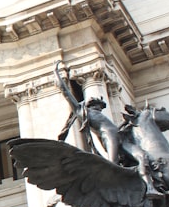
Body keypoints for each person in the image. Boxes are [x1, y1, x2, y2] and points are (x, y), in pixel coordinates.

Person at [54, 61, 160, 197]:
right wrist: (57, 75)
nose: (101, 107)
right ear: (93, 104)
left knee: (142, 156)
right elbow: (67, 94)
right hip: (109, 138)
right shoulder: (84, 112)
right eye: (99, 104)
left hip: (119, 137)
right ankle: (112, 193)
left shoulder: (100, 115)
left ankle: (150, 188)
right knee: (113, 166)